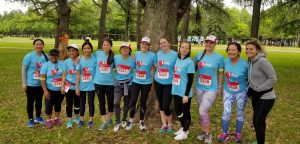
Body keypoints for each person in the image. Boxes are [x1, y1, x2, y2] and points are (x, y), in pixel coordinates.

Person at [245, 39, 277, 144]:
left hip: (266, 96)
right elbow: (251, 77)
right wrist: (250, 88)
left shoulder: (263, 61)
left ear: (258, 50)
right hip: (256, 96)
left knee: (257, 121)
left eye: (251, 49)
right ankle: (260, 140)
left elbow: (273, 79)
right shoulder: (250, 60)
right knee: (260, 121)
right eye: (247, 49)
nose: (248, 51)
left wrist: (258, 89)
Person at [194, 35, 224, 143]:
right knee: (202, 111)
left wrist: (220, 87)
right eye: (207, 42)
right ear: (204, 43)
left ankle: (207, 134)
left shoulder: (219, 58)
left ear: (215, 44)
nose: (208, 44)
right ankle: (203, 131)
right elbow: (192, 69)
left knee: (202, 111)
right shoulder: (198, 56)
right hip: (199, 88)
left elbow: (221, 73)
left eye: (211, 42)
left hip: (212, 88)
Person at [217, 42, 249, 143]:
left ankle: (238, 134)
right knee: (226, 112)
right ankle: (224, 133)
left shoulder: (245, 64)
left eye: (234, 50)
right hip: (228, 91)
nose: (231, 52)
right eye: (229, 50)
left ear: (239, 51)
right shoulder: (224, 61)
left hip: (241, 91)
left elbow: (250, 79)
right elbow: (221, 73)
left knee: (240, 112)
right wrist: (220, 86)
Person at [126, 37, 156, 131]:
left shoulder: (152, 55)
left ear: (149, 46)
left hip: (146, 82)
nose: (144, 45)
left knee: (143, 102)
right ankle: (131, 120)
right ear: (140, 44)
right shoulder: (136, 54)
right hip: (136, 81)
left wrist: (152, 81)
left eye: (146, 44)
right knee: (133, 100)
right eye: (143, 43)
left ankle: (142, 121)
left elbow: (155, 67)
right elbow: (133, 66)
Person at [22, 38, 48, 127]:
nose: (38, 46)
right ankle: (30, 119)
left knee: (39, 101)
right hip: (30, 84)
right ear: (34, 46)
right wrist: (24, 83)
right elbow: (24, 70)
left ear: (43, 46)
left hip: (41, 84)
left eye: (40, 44)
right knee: (30, 102)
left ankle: (38, 117)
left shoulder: (46, 57)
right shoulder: (28, 56)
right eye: (37, 44)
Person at [172, 40, 195, 140]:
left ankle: (185, 132)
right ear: (179, 48)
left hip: (185, 92)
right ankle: (183, 127)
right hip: (176, 90)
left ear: (189, 50)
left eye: (186, 47)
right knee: (178, 111)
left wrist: (186, 94)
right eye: (182, 47)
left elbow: (190, 80)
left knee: (186, 112)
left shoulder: (189, 62)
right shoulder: (177, 60)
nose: (184, 49)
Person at [154, 37, 177, 133]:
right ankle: (164, 125)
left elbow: (178, 68)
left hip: (169, 83)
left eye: (164, 42)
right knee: (161, 104)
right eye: (161, 43)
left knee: (166, 105)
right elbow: (155, 64)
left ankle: (170, 125)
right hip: (158, 81)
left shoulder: (175, 54)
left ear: (169, 43)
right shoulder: (158, 54)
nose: (163, 44)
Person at [93, 38, 115, 130]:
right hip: (98, 82)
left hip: (110, 83)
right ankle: (104, 121)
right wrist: (79, 57)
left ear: (110, 46)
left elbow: (123, 62)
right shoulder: (97, 54)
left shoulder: (114, 56)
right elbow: (88, 57)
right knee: (101, 102)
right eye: (104, 44)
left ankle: (109, 118)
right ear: (102, 46)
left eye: (108, 45)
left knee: (110, 102)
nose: (106, 46)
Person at [113, 42, 135, 132]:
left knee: (127, 103)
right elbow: (109, 63)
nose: (124, 49)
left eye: (126, 48)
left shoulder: (133, 59)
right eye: (122, 48)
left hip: (128, 85)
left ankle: (124, 120)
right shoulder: (116, 57)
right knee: (116, 102)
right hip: (118, 84)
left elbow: (139, 68)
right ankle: (117, 121)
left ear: (129, 50)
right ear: (120, 49)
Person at [40, 49, 65, 129]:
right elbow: (42, 79)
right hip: (50, 89)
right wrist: (45, 91)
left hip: (60, 89)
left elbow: (64, 75)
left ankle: (56, 118)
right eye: (52, 55)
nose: (53, 57)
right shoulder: (46, 65)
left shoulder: (62, 64)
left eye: (55, 55)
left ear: (58, 56)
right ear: (49, 56)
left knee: (58, 104)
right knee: (49, 105)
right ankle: (48, 120)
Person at [75, 41, 97, 128]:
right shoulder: (80, 60)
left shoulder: (95, 59)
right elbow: (78, 74)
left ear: (91, 49)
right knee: (82, 103)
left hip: (92, 85)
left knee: (91, 102)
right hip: (82, 86)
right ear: (82, 50)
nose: (87, 50)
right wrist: (77, 87)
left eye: (88, 48)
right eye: (85, 48)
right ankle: (81, 119)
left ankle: (91, 120)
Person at [61, 44, 80, 128]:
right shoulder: (66, 62)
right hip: (68, 85)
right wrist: (62, 86)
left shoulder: (81, 60)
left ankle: (76, 117)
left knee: (77, 103)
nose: (71, 52)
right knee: (69, 103)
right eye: (70, 51)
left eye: (73, 50)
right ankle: (69, 119)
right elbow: (64, 74)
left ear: (77, 52)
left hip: (78, 86)